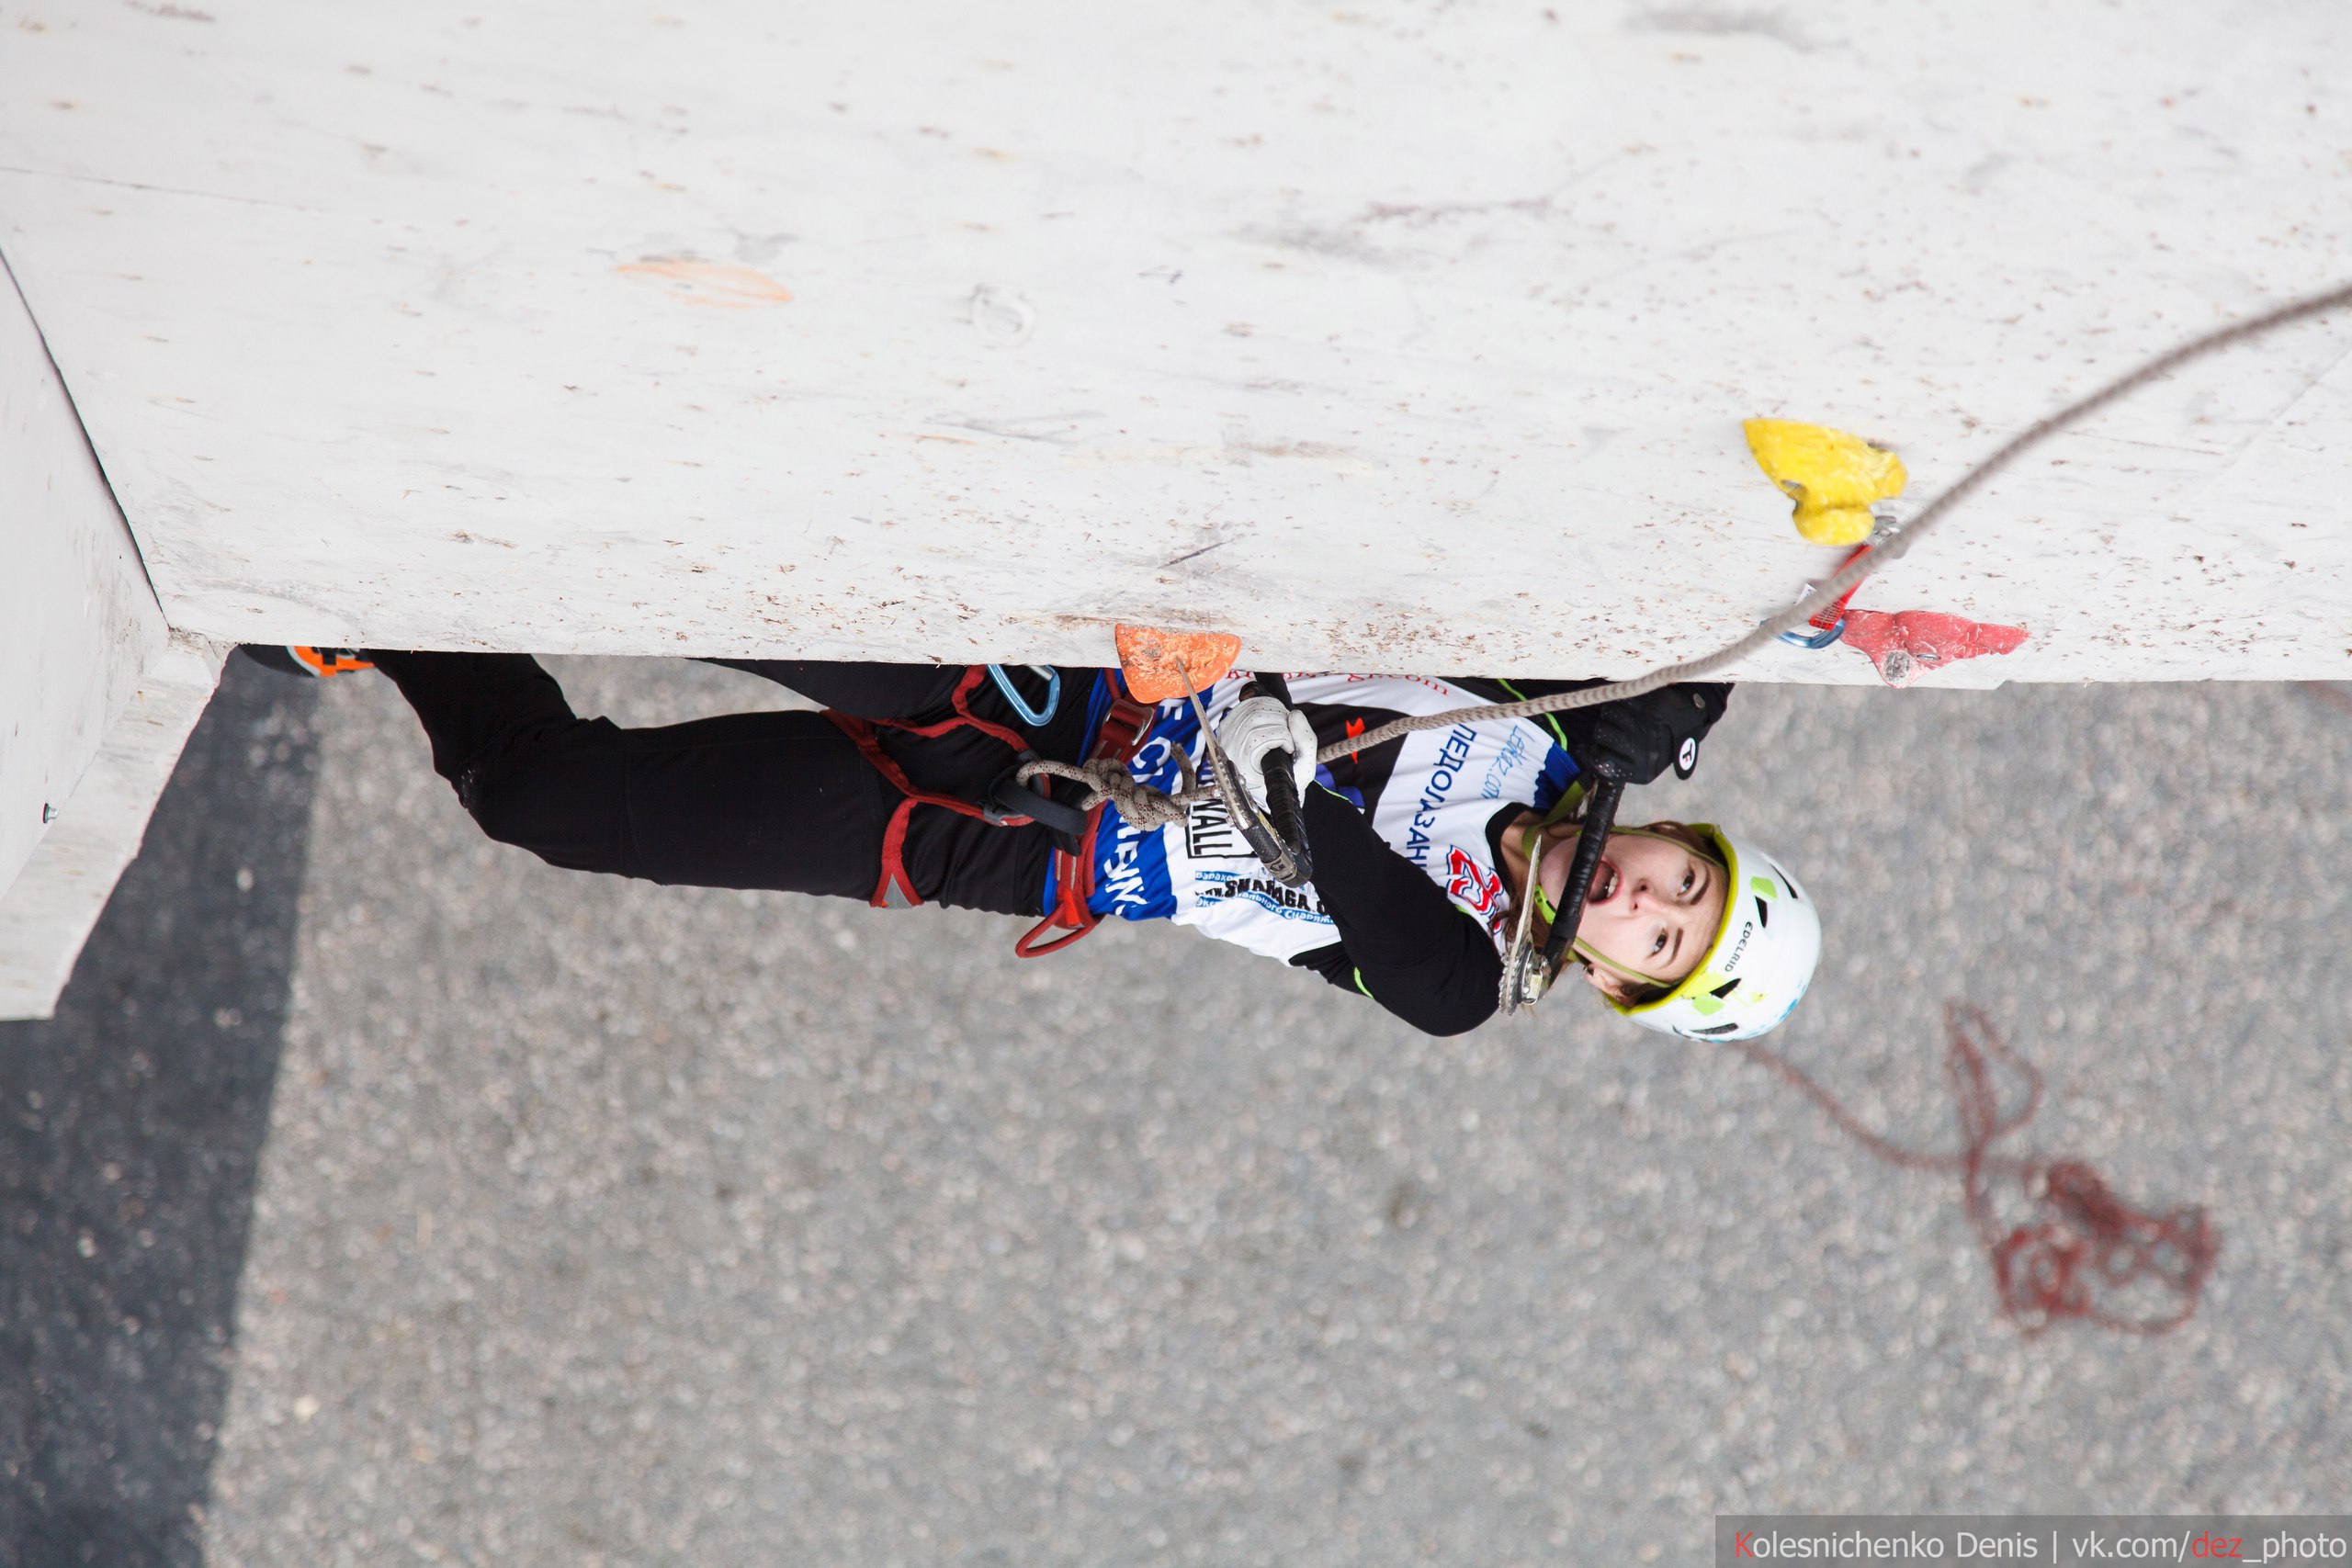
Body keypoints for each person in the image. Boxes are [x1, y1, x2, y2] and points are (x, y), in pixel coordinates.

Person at [243, 646, 1819, 1039]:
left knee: (544, 805)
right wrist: (1686, 699)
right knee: (674, 568)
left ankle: (388, 632)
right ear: (1679, 832)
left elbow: (1414, 968)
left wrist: (1306, 804)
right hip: (1035, 682)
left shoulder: (1470, 972)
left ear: (1619, 983)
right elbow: (1723, 603)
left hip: (999, 838)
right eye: (1687, 876)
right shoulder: (1558, 719)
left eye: (1664, 943)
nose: (1646, 900)